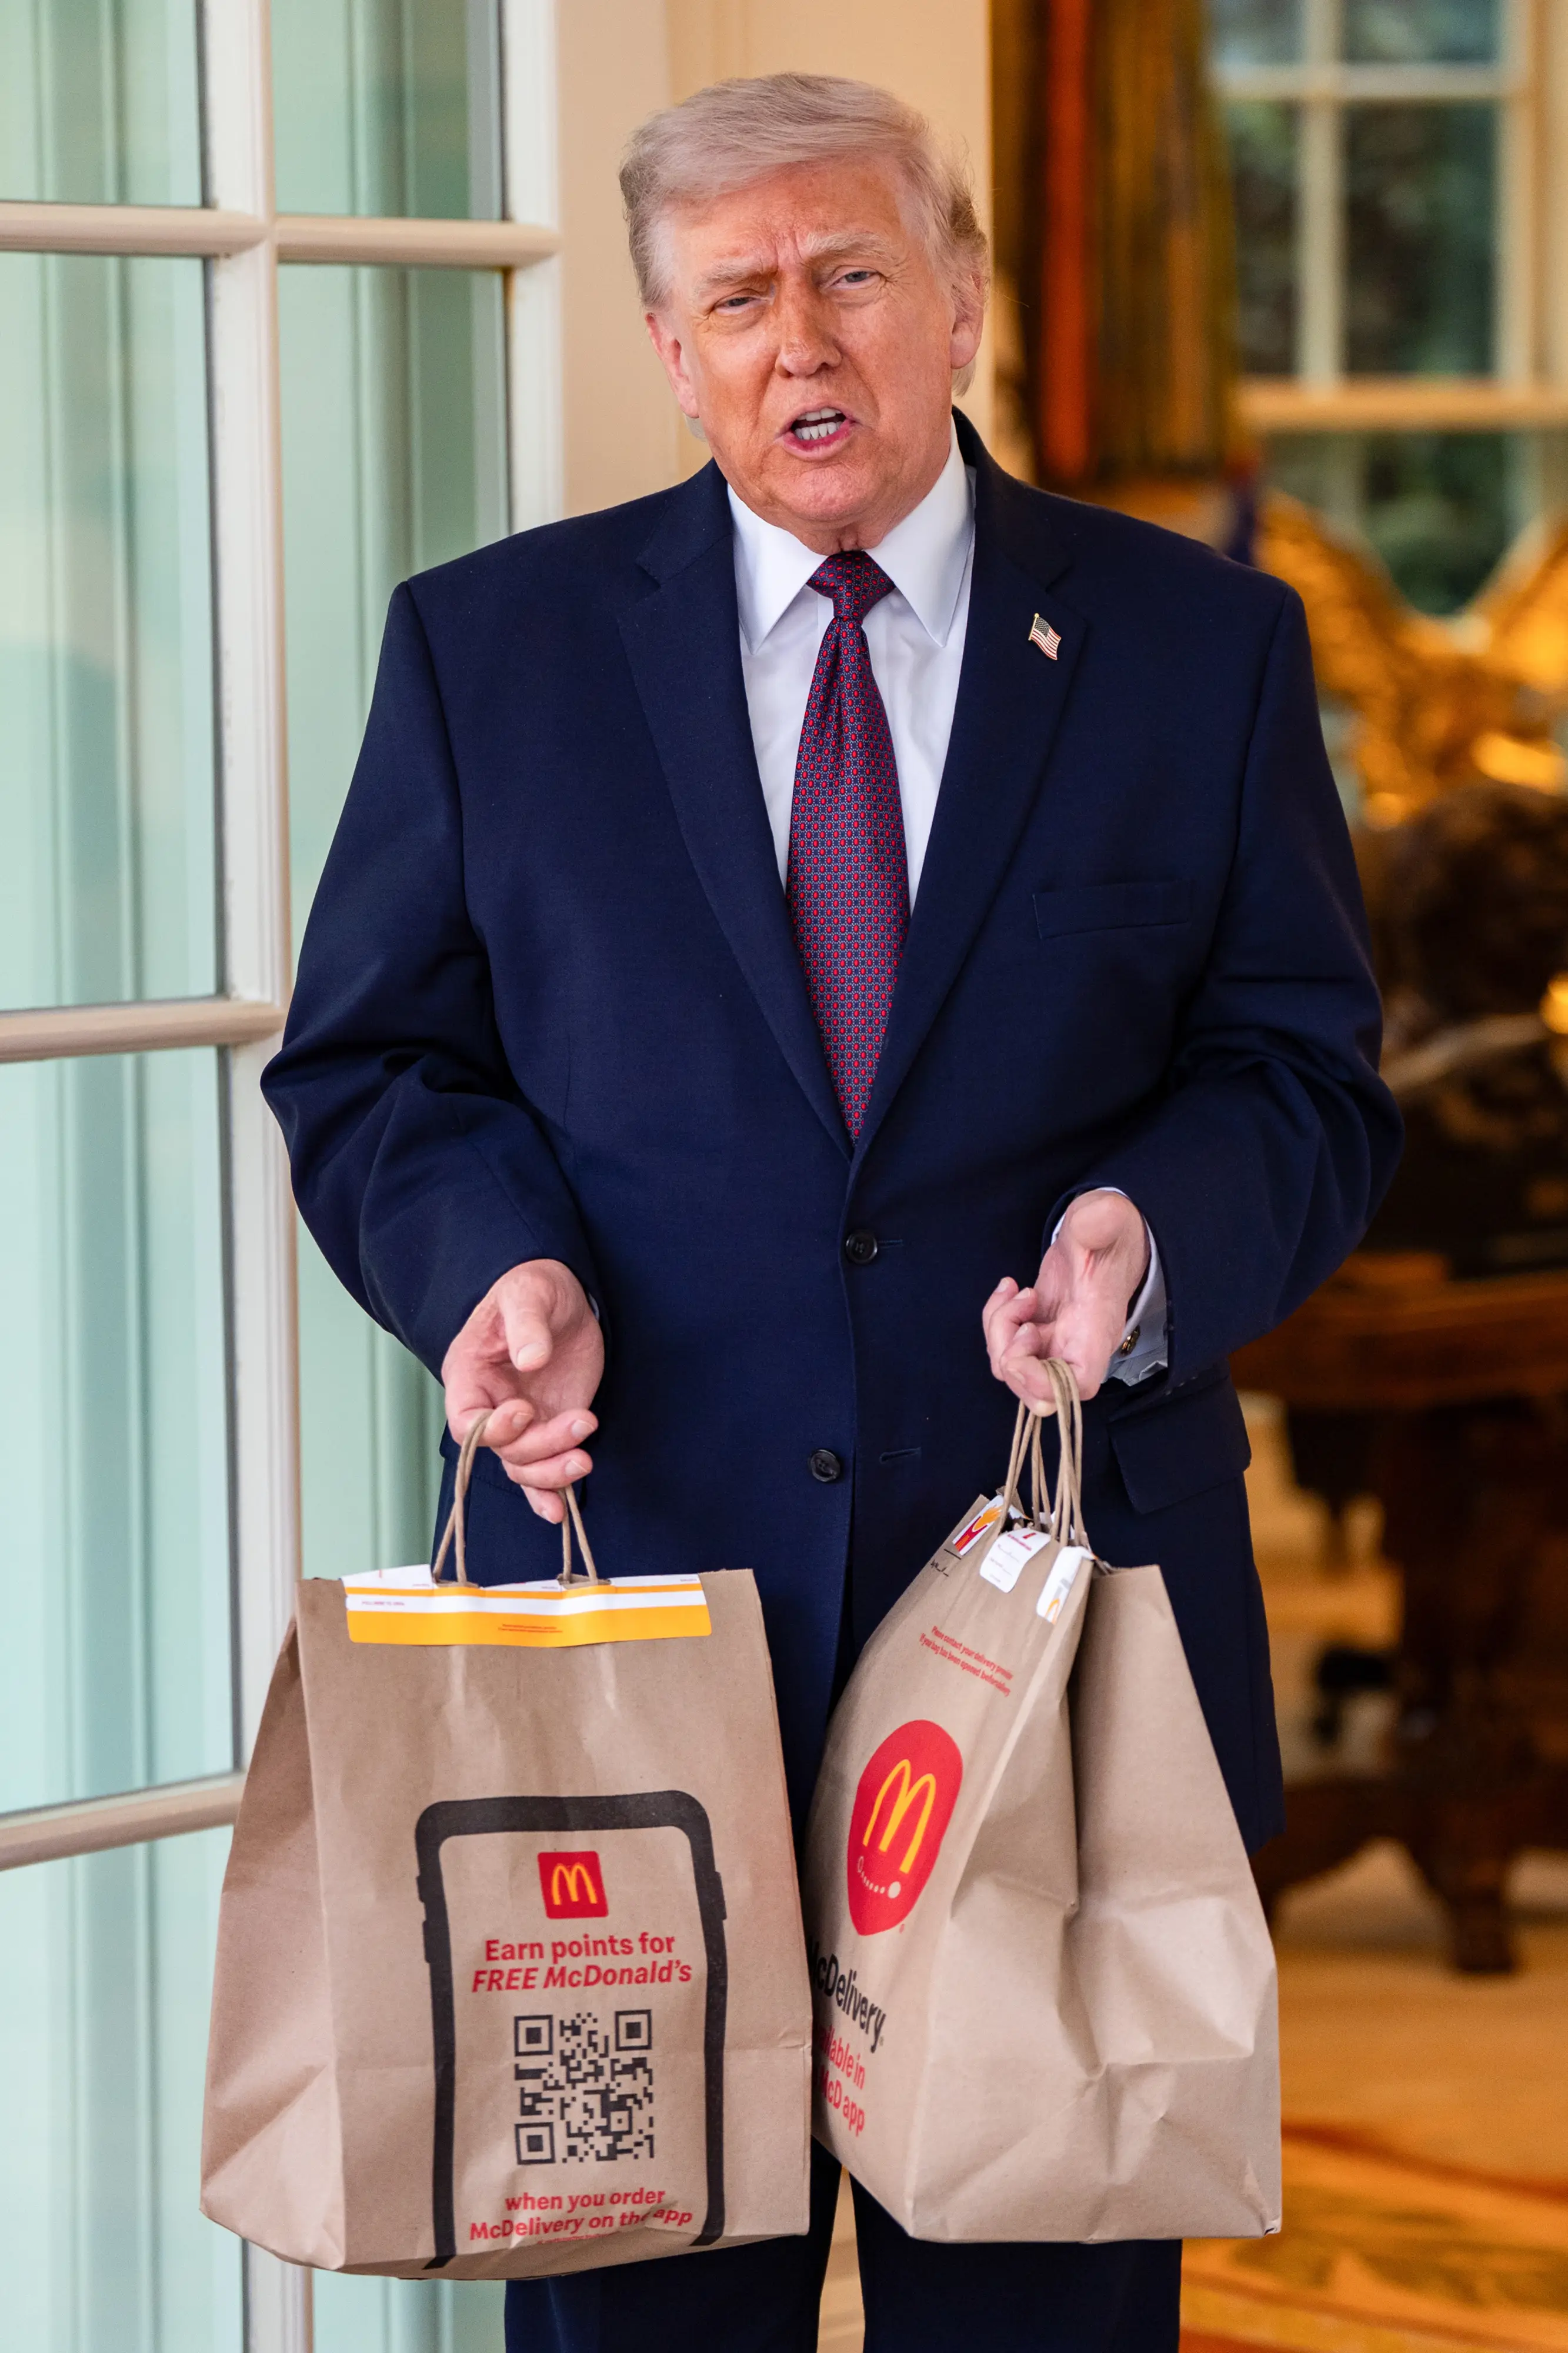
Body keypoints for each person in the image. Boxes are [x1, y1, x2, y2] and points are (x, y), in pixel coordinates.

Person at [264, 72, 1400, 2353]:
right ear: (672, 350)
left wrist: (1141, 1249)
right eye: (743, 298)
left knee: (1045, 2314)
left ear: (958, 301)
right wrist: (492, 1261)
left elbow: (1302, 1075)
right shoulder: (494, 656)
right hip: (626, 1650)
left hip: (1058, 1644)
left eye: (854, 274)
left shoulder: (1199, 649)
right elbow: (378, 1061)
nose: (806, 343)